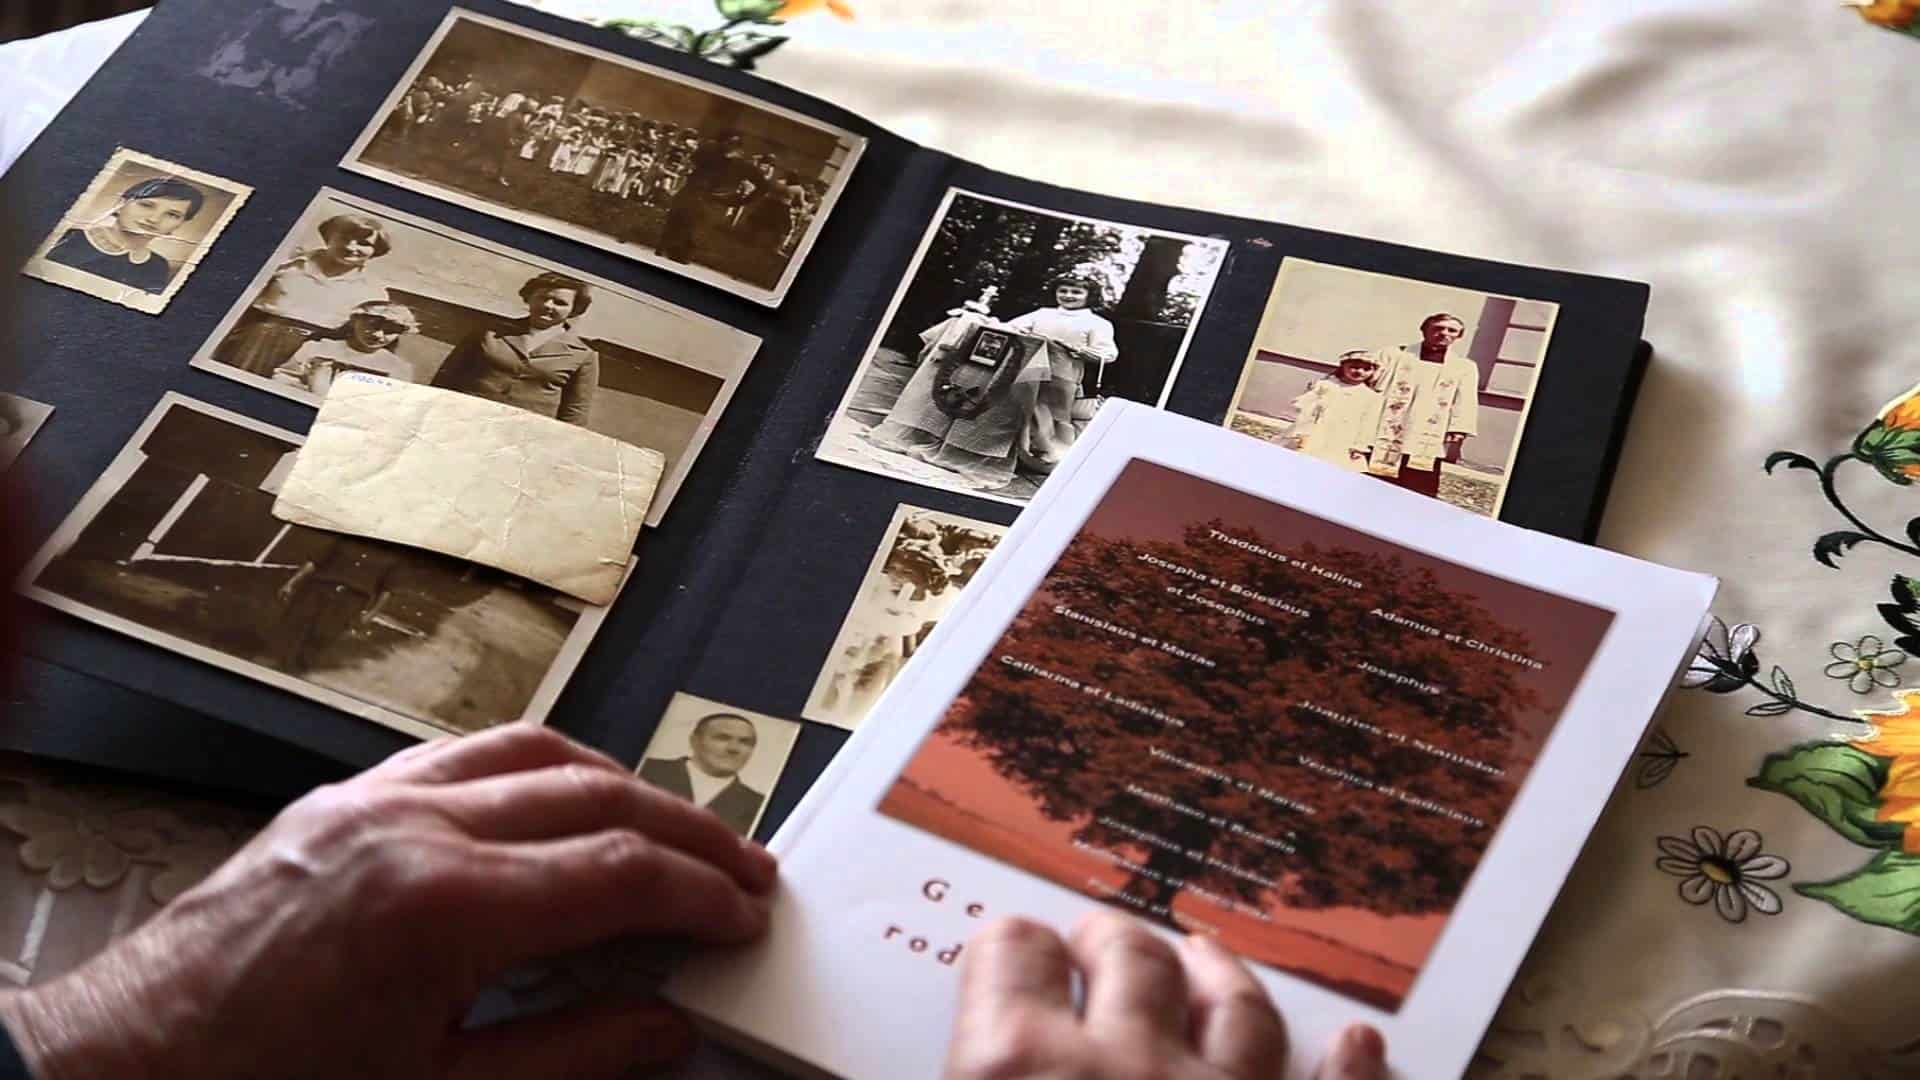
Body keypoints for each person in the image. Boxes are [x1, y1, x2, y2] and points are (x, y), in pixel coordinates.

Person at [870, 275, 1120, 490]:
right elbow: (1010, 328)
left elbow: (1108, 354)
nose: (1068, 295)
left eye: (1076, 292)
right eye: (1063, 290)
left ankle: (1037, 458)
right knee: (1012, 411)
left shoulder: (1098, 324)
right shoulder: (1043, 313)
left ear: (1089, 296)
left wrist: (1079, 350)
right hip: (1026, 368)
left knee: (1044, 418)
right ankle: (996, 453)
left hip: (1060, 375)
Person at [210, 212, 392, 377]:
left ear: (375, 251)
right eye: (343, 238)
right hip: (254, 341)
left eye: (364, 243)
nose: (351, 247)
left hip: (316, 352)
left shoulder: (373, 291)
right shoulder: (285, 264)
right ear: (328, 237)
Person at [430, 270, 599, 426]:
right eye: (542, 297)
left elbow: (575, 413)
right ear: (529, 298)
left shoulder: (583, 355)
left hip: (525, 434)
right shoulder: (488, 331)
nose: (548, 305)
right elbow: (446, 377)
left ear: (574, 309)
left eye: (560, 303)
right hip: (465, 419)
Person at [1363, 312, 1481, 497]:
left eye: (1452, 330)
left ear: (1458, 336)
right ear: (1424, 330)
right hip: (1386, 423)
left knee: (1417, 485)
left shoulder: (1464, 366)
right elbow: (1366, 379)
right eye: (1438, 328)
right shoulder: (1394, 354)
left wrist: (1459, 427)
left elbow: (1466, 398)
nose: (1444, 333)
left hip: (1428, 428)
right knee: (1373, 480)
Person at [43, 176, 206, 295]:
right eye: (146, 205)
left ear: (180, 224)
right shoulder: (67, 237)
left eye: (172, 215)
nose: (154, 219)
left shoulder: (158, 266)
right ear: (120, 204)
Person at [639, 713, 768, 836]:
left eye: (745, 742)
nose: (733, 748)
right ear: (694, 741)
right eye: (722, 738)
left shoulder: (758, 804)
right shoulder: (647, 768)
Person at [270, 300, 419, 396]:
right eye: (372, 326)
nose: (378, 335)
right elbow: (283, 377)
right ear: (354, 321)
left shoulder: (399, 368)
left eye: (390, 331)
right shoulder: (318, 348)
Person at [1285, 350, 1384, 471]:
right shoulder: (1326, 385)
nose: (1359, 371)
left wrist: (1359, 446)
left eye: (1366, 369)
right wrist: (1302, 431)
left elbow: (1368, 424)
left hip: (1343, 438)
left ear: (1373, 372)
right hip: (1316, 431)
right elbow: (1308, 411)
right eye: (1354, 367)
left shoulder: (1371, 397)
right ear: (1343, 366)